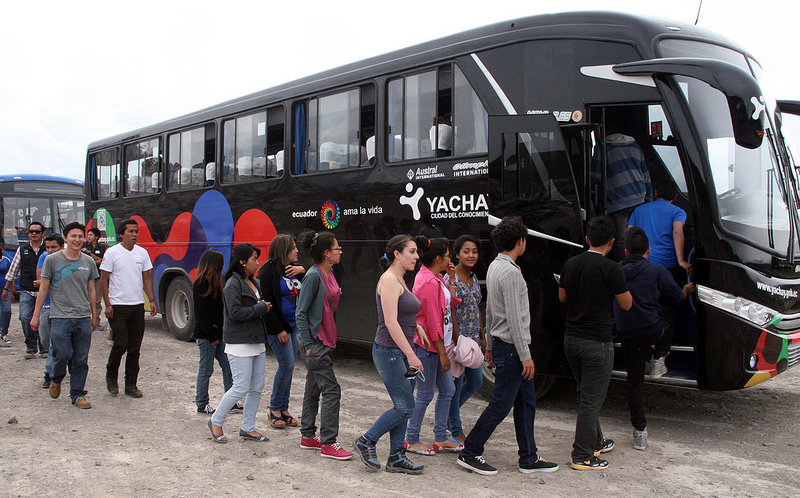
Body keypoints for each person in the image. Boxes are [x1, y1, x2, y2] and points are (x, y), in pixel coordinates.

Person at [457, 217, 558, 476]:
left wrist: (489, 343)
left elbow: (490, 309)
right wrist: (526, 355)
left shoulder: (494, 267)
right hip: (513, 348)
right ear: (521, 241)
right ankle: (470, 451)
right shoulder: (512, 272)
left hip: (503, 345)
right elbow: (514, 318)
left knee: (526, 403)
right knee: (501, 404)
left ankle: (528, 456)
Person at [559, 216, 632, 470]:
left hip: (571, 338)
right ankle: (582, 455)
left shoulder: (570, 263)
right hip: (597, 342)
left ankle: (597, 440)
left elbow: (562, 296)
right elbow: (626, 303)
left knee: (585, 393)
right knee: (591, 400)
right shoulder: (612, 269)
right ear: (612, 242)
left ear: (587, 239)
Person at [614, 227, 694, 450]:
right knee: (669, 312)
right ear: (649, 250)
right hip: (651, 330)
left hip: (627, 334)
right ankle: (659, 359)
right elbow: (677, 297)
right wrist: (688, 288)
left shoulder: (615, 271)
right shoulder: (657, 271)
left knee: (634, 381)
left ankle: (640, 433)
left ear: (625, 250)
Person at [354, 235, 426, 474]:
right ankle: (367, 440)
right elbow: (389, 322)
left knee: (403, 404)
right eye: (412, 252)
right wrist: (411, 355)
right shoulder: (388, 279)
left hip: (400, 352)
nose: (416, 257)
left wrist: (415, 326)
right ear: (397, 253)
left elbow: (401, 312)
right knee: (406, 407)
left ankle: (396, 456)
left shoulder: (400, 279)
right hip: (390, 352)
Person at [296, 231, 353, 460]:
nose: (341, 251)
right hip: (316, 343)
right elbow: (301, 313)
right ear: (327, 253)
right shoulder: (313, 276)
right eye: (337, 248)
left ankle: (308, 435)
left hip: (322, 341)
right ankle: (329, 443)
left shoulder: (328, 273)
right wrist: (309, 345)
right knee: (332, 390)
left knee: (313, 388)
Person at [207, 243, 272, 444]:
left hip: (256, 341)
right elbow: (235, 313)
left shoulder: (255, 282)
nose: (257, 262)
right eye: (254, 259)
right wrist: (260, 308)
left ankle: (248, 427)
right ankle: (216, 420)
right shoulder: (233, 284)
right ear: (242, 262)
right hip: (239, 343)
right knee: (240, 387)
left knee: (256, 387)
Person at [627, 180, 692, 377]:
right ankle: (658, 358)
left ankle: (640, 357)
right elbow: (677, 231)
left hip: (640, 264)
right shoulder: (677, 211)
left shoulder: (640, 209)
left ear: (655, 192)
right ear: (675, 197)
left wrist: (629, 258)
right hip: (666, 267)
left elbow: (629, 232)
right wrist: (682, 261)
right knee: (668, 310)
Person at [30, 222, 98, 409]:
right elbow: (44, 288)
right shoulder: (52, 260)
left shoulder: (88, 262)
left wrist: (94, 315)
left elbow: (91, 289)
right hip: (59, 316)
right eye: (73, 236)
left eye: (80, 236)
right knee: (61, 353)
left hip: (83, 316)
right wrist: (35, 315)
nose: (77, 240)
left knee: (80, 358)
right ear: (65, 238)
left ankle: (77, 394)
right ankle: (56, 377)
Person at [405, 236, 461, 455]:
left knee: (448, 389)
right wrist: (442, 353)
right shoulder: (428, 281)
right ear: (438, 257)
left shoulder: (435, 277)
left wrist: (452, 278)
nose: (450, 259)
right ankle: (411, 438)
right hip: (429, 347)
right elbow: (432, 321)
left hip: (436, 345)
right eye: (447, 255)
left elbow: (450, 304)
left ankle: (440, 437)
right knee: (426, 394)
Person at [101, 219, 157, 398]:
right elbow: (104, 280)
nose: (135, 235)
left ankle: (131, 384)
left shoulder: (142, 253)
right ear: (121, 234)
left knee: (135, 347)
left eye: (136, 232)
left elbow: (146, 278)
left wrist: (152, 300)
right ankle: (111, 377)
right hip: (118, 306)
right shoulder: (112, 253)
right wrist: (107, 304)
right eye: (131, 231)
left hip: (137, 306)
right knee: (121, 344)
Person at [258, 234, 305, 429]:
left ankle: (284, 408)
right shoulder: (268, 271)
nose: (297, 251)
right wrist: (278, 329)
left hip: (295, 326)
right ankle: (274, 408)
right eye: (293, 247)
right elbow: (267, 304)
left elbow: (313, 283)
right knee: (286, 365)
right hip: (280, 328)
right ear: (283, 250)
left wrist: (303, 270)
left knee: (290, 366)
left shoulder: (295, 270)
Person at [445, 234, 486, 444]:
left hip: (473, 341)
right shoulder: (450, 279)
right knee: (457, 385)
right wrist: (456, 337)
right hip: (458, 341)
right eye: (466, 251)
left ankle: (447, 417)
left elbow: (476, 307)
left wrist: (482, 335)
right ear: (457, 254)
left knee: (476, 381)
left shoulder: (474, 277)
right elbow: (449, 308)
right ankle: (455, 428)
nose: (471, 255)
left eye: (474, 251)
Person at [593, 113, 651, 260]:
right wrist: (649, 198)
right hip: (639, 197)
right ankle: (641, 263)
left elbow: (596, 176)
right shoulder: (635, 146)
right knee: (638, 236)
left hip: (619, 202)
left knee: (620, 239)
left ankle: (623, 267)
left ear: (605, 131)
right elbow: (646, 175)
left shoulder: (603, 147)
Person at [193, 249, 233, 415]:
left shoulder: (216, 282)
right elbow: (201, 314)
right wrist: (212, 335)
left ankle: (231, 400)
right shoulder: (201, 283)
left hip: (218, 334)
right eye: (220, 263)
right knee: (206, 369)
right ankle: (202, 403)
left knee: (228, 366)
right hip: (207, 336)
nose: (223, 266)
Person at [3, 222, 47, 358]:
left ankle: (44, 346)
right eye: (31, 231)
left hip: (44, 291)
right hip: (26, 290)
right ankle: (31, 346)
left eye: (36, 232)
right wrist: (6, 288)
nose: (33, 234)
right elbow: (13, 270)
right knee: (25, 317)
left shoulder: (48, 249)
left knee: (42, 319)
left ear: (42, 234)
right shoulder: (22, 249)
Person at [36, 234, 64, 389]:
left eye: (54, 247)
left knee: (55, 343)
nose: (50, 250)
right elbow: (40, 281)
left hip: (60, 308)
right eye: (48, 247)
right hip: (46, 304)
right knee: (46, 340)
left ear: (61, 246)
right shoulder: (44, 258)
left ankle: (50, 372)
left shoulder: (68, 260)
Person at [81, 227, 107, 330]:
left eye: (91, 235)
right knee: (85, 299)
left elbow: (102, 260)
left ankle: (96, 321)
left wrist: (89, 253)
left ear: (96, 237)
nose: (89, 237)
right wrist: (94, 261)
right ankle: (86, 320)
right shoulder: (83, 246)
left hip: (98, 276)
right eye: (88, 235)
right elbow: (84, 260)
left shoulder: (101, 248)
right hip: (86, 276)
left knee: (97, 300)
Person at [0, 242, 12, 346]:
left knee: (7, 310)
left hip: (4, 289)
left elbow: (11, 276)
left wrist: (11, 292)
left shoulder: (6, 260)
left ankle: (4, 333)